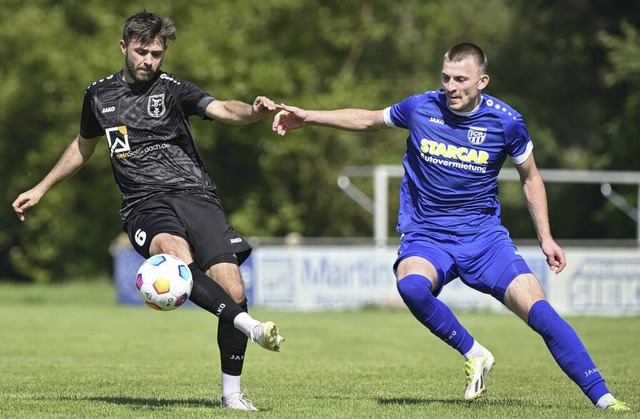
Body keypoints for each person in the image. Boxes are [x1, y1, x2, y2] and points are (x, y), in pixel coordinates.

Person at [272, 43, 629, 411]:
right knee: (410, 286)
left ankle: (605, 400)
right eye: (446, 77)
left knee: (540, 313)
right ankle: (475, 353)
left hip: (484, 240)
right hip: (428, 236)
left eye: (461, 79)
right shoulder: (421, 107)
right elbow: (368, 120)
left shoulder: (507, 122)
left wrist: (546, 237)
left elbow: (530, 177)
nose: (451, 86)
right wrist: (308, 117)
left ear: (482, 81)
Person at [12, 11, 283, 412]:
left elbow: (222, 108)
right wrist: (41, 187)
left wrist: (254, 112)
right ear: (123, 47)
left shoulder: (173, 89)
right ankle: (250, 326)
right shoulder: (99, 96)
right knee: (173, 253)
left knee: (235, 290)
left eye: (157, 53)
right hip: (144, 203)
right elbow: (84, 146)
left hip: (196, 195)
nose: (149, 61)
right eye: (142, 52)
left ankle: (232, 396)